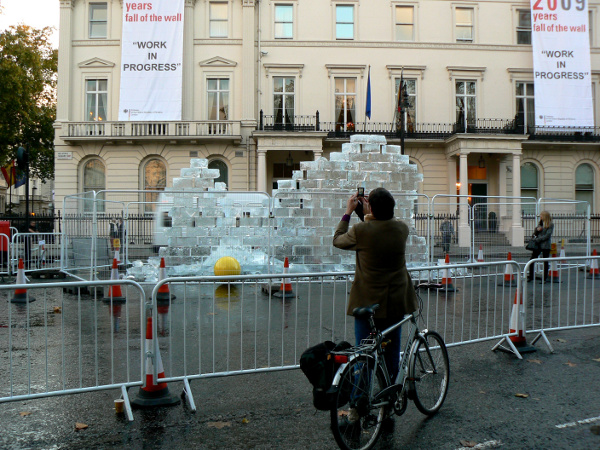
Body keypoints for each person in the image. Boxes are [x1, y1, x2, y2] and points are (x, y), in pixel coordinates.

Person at [333, 187, 418, 384]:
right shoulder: (402, 229)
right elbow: (379, 232)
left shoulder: (360, 231)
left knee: (363, 356)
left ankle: (358, 406)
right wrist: (369, 214)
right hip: (395, 304)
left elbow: (337, 240)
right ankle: (388, 402)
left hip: (367, 304)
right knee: (391, 356)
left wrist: (348, 212)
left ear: (371, 208)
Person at [527, 211, 554, 282]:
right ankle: (531, 276)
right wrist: (537, 230)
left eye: (541, 216)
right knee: (532, 259)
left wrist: (538, 239)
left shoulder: (550, 224)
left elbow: (548, 235)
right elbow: (535, 233)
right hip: (538, 245)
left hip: (545, 245)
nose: (540, 217)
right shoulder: (540, 223)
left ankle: (545, 277)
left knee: (545, 261)